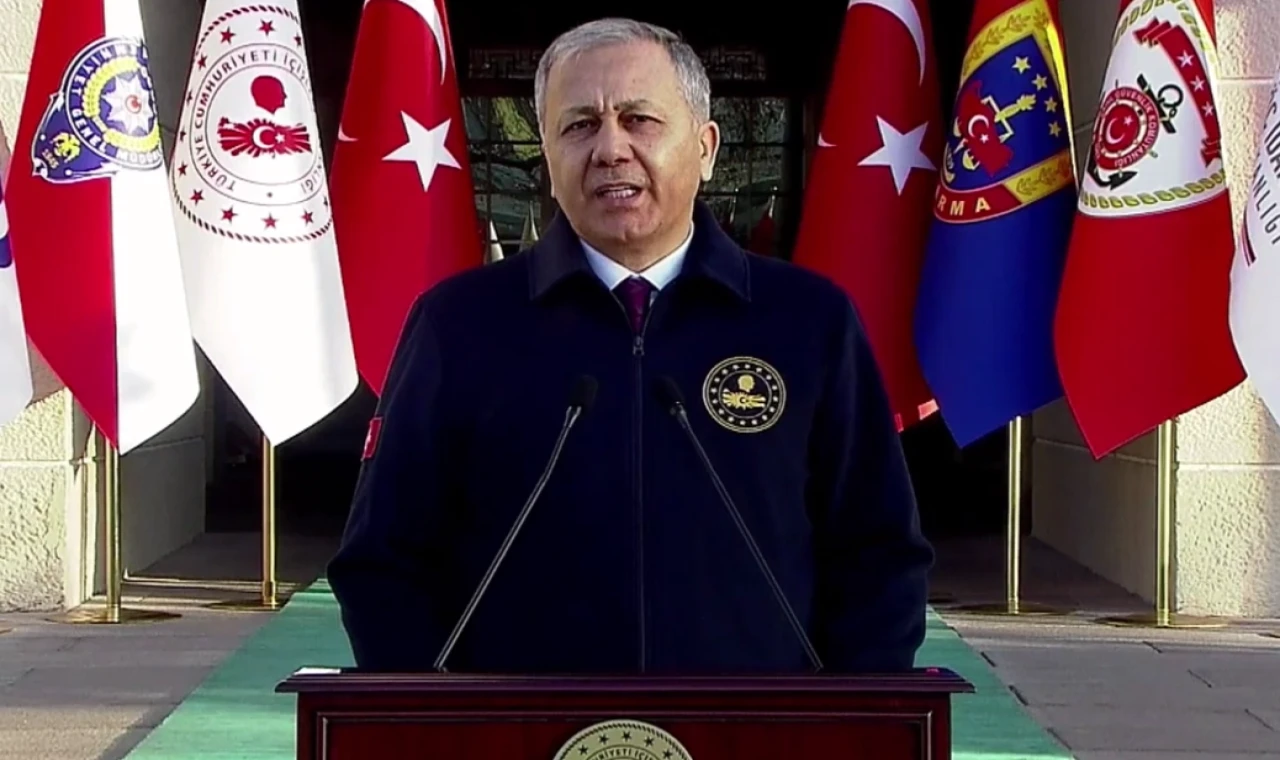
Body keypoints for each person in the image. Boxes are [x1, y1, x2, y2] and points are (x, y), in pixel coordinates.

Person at [327, 17, 934, 674]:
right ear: (548, 157)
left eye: (640, 120)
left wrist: (848, 714)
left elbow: (878, 554)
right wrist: (438, 715)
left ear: (705, 147)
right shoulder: (458, 325)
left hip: (752, 722)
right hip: (521, 724)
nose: (610, 149)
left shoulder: (809, 321)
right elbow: (383, 563)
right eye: (579, 125)